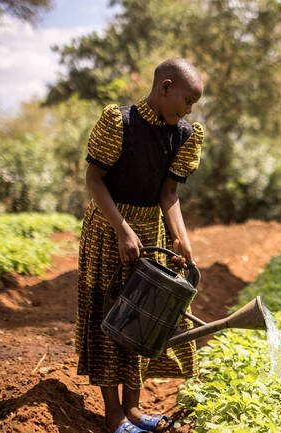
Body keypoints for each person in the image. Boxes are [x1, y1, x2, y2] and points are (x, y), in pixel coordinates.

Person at [76, 57, 205, 433]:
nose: (189, 109)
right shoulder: (120, 122)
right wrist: (121, 229)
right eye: (187, 100)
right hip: (107, 231)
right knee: (110, 318)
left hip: (152, 233)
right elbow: (94, 178)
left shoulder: (183, 134)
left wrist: (181, 236)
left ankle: (133, 409)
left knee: (145, 320)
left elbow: (168, 193)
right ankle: (113, 414)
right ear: (165, 87)